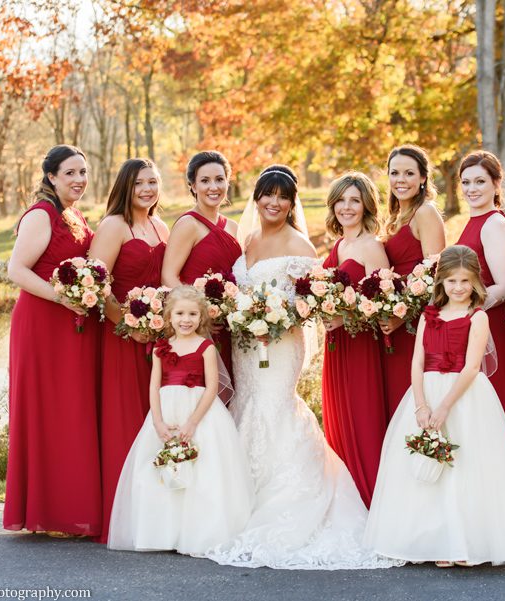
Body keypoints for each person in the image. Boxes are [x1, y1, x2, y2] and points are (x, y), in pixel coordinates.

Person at [206, 166, 398, 570]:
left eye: (282, 197)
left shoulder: (301, 246)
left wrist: (275, 320)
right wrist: (243, 314)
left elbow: (308, 303)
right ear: (255, 198)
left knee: (275, 407)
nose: (273, 203)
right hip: (246, 345)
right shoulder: (249, 239)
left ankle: (288, 500)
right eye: (266, 195)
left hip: (280, 343)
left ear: (293, 204)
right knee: (249, 405)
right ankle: (242, 500)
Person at [364, 245, 505, 566]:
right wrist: (421, 406)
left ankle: (464, 544)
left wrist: (443, 407)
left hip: (464, 395)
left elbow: (472, 367)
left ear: (475, 283)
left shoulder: (478, 317)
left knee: (465, 467)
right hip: (426, 393)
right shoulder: (430, 317)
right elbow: (416, 363)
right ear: (441, 282)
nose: (458, 287)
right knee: (427, 468)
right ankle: (435, 544)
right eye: (452, 280)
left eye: (465, 281)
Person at [107, 286, 252, 554]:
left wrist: (193, 422)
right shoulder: (161, 348)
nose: (186, 319)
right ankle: (164, 533)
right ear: (169, 316)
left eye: (193, 314)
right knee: (162, 468)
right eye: (180, 313)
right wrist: (158, 423)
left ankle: (198, 533)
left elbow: (212, 388)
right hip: (166, 410)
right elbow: (153, 387)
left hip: (199, 412)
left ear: (202, 317)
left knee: (203, 469)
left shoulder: (206, 347)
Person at [4, 144, 101, 536]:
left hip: (69, 326)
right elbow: (17, 270)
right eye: (71, 173)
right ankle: (44, 509)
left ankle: (65, 506)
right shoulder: (41, 215)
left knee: (69, 411)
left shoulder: (73, 214)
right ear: (51, 177)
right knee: (47, 410)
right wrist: (64, 298)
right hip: (42, 324)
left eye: (83, 172)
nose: (79, 179)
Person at [90, 158, 170, 544]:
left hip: (157, 341)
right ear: (126, 186)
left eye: (153, 182)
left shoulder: (161, 226)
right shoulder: (113, 226)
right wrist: (126, 324)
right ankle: (124, 519)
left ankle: (158, 516)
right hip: (122, 340)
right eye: (140, 183)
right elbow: (97, 285)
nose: (148, 190)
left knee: (153, 421)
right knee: (126, 422)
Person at [455, 151, 505, 482]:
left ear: (497, 184)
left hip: (494, 330)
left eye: (480, 181)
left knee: (498, 413)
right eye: (466, 182)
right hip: (478, 331)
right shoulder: (473, 221)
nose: (472, 188)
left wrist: (472, 309)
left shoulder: (494, 223)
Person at [320, 172, 390, 507]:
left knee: (362, 422)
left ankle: (372, 501)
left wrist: (345, 316)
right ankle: (347, 502)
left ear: (366, 206)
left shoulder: (372, 247)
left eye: (355, 200)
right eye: (341, 200)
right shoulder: (339, 245)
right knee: (337, 424)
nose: (347, 207)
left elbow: (385, 306)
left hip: (361, 346)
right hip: (336, 349)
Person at [161, 151, 242, 378]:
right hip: (196, 328)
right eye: (204, 181)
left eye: (219, 179)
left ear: (228, 182)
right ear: (193, 186)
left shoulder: (233, 228)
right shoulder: (188, 224)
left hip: (227, 327)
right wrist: (200, 315)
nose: (213, 187)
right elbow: (168, 276)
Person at [381, 145, 446, 418]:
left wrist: (402, 316)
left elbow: (436, 275)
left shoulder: (425, 213)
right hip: (393, 321)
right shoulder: (394, 217)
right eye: (395, 173)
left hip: (415, 325)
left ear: (422, 178)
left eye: (409, 173)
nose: (401, 180)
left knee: (412, 398)